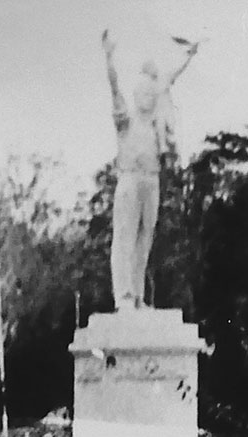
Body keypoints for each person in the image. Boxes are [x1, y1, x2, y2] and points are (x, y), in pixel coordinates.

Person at [102, 29, 198, 309]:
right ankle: (124, 297)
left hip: (151, 180)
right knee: (125, 238)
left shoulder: (156, 124)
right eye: (143, 93)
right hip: (130, 179)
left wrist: (188, 58)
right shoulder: (126, 121)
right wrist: (109, 59)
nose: (149, 97)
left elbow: (171, 78)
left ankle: (138, 295)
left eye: (151, 93)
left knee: (145, 240)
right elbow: (114, 88)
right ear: (136, 95)